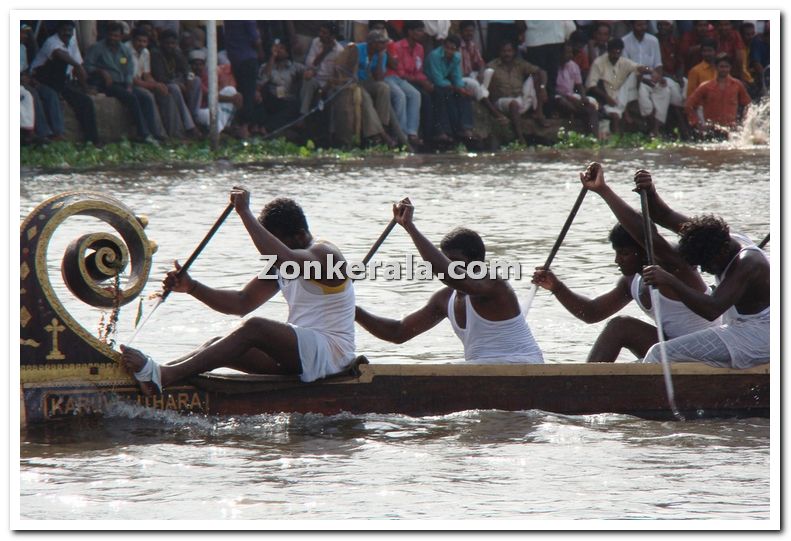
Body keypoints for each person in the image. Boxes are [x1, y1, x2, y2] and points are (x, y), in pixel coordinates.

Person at [120, 189, 357, 394]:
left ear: (300, 236)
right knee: (219, 344)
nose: (269, 253)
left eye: (276, 243)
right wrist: (192, 287)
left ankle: (164, 376)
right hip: (304, 354)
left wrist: (244, 212)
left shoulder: (325, 255)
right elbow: (241, 303)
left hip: (332, 355)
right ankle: (153, 374)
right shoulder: (282, 265)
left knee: (255, 327)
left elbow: (285, 260)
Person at [532, 163, 720, 362]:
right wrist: (556, 287)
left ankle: (586, 388)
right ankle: (586, 385)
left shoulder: (675, 266)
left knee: (622, 325)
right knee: (621, 326)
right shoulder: (631, 282)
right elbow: (591, 313)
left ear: (643, 249)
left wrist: (603, 191)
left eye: (624, 253)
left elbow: (647, 235)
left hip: (707, 351)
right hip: (674, 348)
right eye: (616, 253)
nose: (617, 260)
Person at [356, 198, 543, 364]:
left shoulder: (493, 285)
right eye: (446, 260)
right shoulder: (444, 300)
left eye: (455, 262)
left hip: (522, 365)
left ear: (476, 265)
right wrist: (353, 310)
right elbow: (398, 333)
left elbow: (447, 273)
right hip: (481, 371)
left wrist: (410, 228)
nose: (449, 267)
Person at [637, 174, 769, 368]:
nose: (706, 270)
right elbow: (663, 215)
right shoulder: (708, 236)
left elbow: (712, 310)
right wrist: (650, 192)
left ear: (723, 250)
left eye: (708, 264)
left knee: (658, 353)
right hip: (741, 329)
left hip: (762, 336)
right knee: (662, 357)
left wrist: (670, 280)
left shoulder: (748, 263)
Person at [84, 21, 162, 144]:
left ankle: (154, 133)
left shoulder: (124, 50)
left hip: (123, 83)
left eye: (116, 36)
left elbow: (129, 70)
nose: (113, 38)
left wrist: (129, 85)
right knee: (131, 98)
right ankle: (144, 134)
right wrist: (101, 71)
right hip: (106, 83)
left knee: (145, 97)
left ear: (121, 36)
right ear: (106, 35)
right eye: (111, 35)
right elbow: (87, 65)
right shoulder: (97, 48)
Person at [30, 20, 99, 145]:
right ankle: (56, 134)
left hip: (61, 81)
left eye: (69, 31)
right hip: (42, 80)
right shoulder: (52, 42)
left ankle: (92, 141)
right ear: (58, 31)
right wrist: (77, 66)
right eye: (64, 30)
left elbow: (78, 64)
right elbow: (65, 57)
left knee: (85, 101)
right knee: (53, 97)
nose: (67, 33)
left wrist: (85, 87)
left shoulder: (72, 41)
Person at [621, 21, 684, 136]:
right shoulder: (625, 41)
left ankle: (656, 130)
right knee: (645, 102)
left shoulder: (653, 40)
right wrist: (647, 79)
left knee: (665, 90)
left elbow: (658, 64)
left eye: (644, 25)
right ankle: (652, 130)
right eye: (639, 25)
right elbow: (629, 68)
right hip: (635, 80)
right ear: (633, 26)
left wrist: (658, 77)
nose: (642, 28)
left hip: (652, 78)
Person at [485, 40, 549, 144]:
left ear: (514, 52)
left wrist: (542, 88)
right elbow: (483, 79)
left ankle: (539, 113)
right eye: (504, 51)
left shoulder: (519, 63)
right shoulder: (492, 65)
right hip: (501, 101)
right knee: (513, 103)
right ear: (499, 52)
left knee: (536, 76)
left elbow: (542, 72)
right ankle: (520, 138)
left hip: (520, 98)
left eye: (509, 51)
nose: (507, 54)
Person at [585, 38, 653, 135]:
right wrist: (607, 97)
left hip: (619, 95)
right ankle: (622, 115)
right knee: (614, 116)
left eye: (618, 53)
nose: (615, 56)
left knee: (635, 74)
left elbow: (640, 67)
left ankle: (625, 111)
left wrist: (651, 71)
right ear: (608, 51)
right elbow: (592, 86)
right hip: (602, 97)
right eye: (613, 53)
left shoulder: (623, 61)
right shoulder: (598, 62)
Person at [149, 28, 200, 139]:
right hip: (162, 84)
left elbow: (188, 69)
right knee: (175, 88)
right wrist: (178, 83)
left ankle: (194, 116)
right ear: (161, 43)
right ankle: (190, 126)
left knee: (196, 81)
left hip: (176, 81)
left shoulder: (176, 52)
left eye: (173, 43)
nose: (170, 46)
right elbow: (160, 77)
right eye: (167, 43)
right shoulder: (156, 54)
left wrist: (189, 78)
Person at [424, 34, 474, 143]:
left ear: (456, 50)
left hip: (446, 83)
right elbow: (437, 80)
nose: (449, 51)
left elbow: (457, 77)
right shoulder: (434, 56)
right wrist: (456, 88)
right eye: (447, 48)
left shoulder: (456, 57)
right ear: (443, 46)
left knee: (464, 95)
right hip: (430, 83)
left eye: (453, 49)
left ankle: (466, 128)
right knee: (443, 94)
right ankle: (444, 131)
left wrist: (462, 89)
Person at [685, 54, 751, 136]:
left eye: (726, 67)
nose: (724, 69)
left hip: (731, 130)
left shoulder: (737, 85)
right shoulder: (706, 86)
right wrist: (696, 123)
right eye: (721, 67)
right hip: (712, 130)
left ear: (730, 68)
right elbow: (689, 105)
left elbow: (748, 105)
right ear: (716, 68)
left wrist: (744, 123)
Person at [394, 21, 435, 143]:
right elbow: (400, 72)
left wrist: (426, 82)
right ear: (410, 32)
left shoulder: (419, 48)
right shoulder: (398, 47)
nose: (421, 33)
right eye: (418, 30)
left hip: (414, 80)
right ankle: (410, 133)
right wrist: (421, 82)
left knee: (434, 92)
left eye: (422, 31)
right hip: (400, 80)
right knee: (422, 96)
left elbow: (419, 70)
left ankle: (429, 135)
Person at [223, 20, 264, 139]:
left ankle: (243, 126)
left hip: (235, 59)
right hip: (247, 58)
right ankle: (244, 128)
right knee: (248, 94)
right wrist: (261, 51)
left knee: (242, 92)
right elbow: (255, 39)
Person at [356, 30, 397, 147]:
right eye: (382, 43)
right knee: (365, 98)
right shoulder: (358, 49)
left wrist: (379, 58)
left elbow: (379, 78)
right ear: (372, 44)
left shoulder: (381, 54)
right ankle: (381, 134)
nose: (385, 46)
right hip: (355, 83)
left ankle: (382, 126)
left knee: (384, 88)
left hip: (369, 82)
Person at [254, 39, 304, 133]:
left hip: (287, 100)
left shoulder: (295, 67)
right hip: (271, 98)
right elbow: (263, 79)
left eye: (282, 48)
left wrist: (309, 73)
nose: (278, 50)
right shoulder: (266, 66)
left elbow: (309, 72)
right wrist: (273, 56)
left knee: (294, 106)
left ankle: (267, 128)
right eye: (276, 48)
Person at [554, 42, 599, 136]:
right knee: (563, 102)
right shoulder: (553, 66)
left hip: (571, 95)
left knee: (591, 107)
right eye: (567, 52)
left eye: (571, 52)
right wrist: (569, 98)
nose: (570, 55)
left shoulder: (573, 65)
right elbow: (552, 88)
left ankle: (595, 136)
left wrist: (583, 97)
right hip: (558, 96)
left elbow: (579, 85)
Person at [300, 22, 344, 116]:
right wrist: (324, 52)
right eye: (320, 31)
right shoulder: (316, 42)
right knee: (308, 81)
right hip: (316, 78)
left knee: (336, 92)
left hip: (330, 82)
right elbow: (310, 64)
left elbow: (338, 74)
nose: (320, 34)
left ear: (332, 36)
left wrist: (328, 85)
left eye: (324, 33)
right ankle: (302, 116)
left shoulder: (339, 51)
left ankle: (332, 128)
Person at [459, 21, 494, 102]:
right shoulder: (457, 45)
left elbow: (481, 62)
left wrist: (481, 74)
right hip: (460, 77)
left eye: (471, 31)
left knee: (489, 72)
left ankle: (482, 95)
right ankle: (493, 111)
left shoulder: (472, 45)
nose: (470, 33)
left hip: (471, 75)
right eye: (467, 31)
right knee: (475, 84)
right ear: (461, 32)